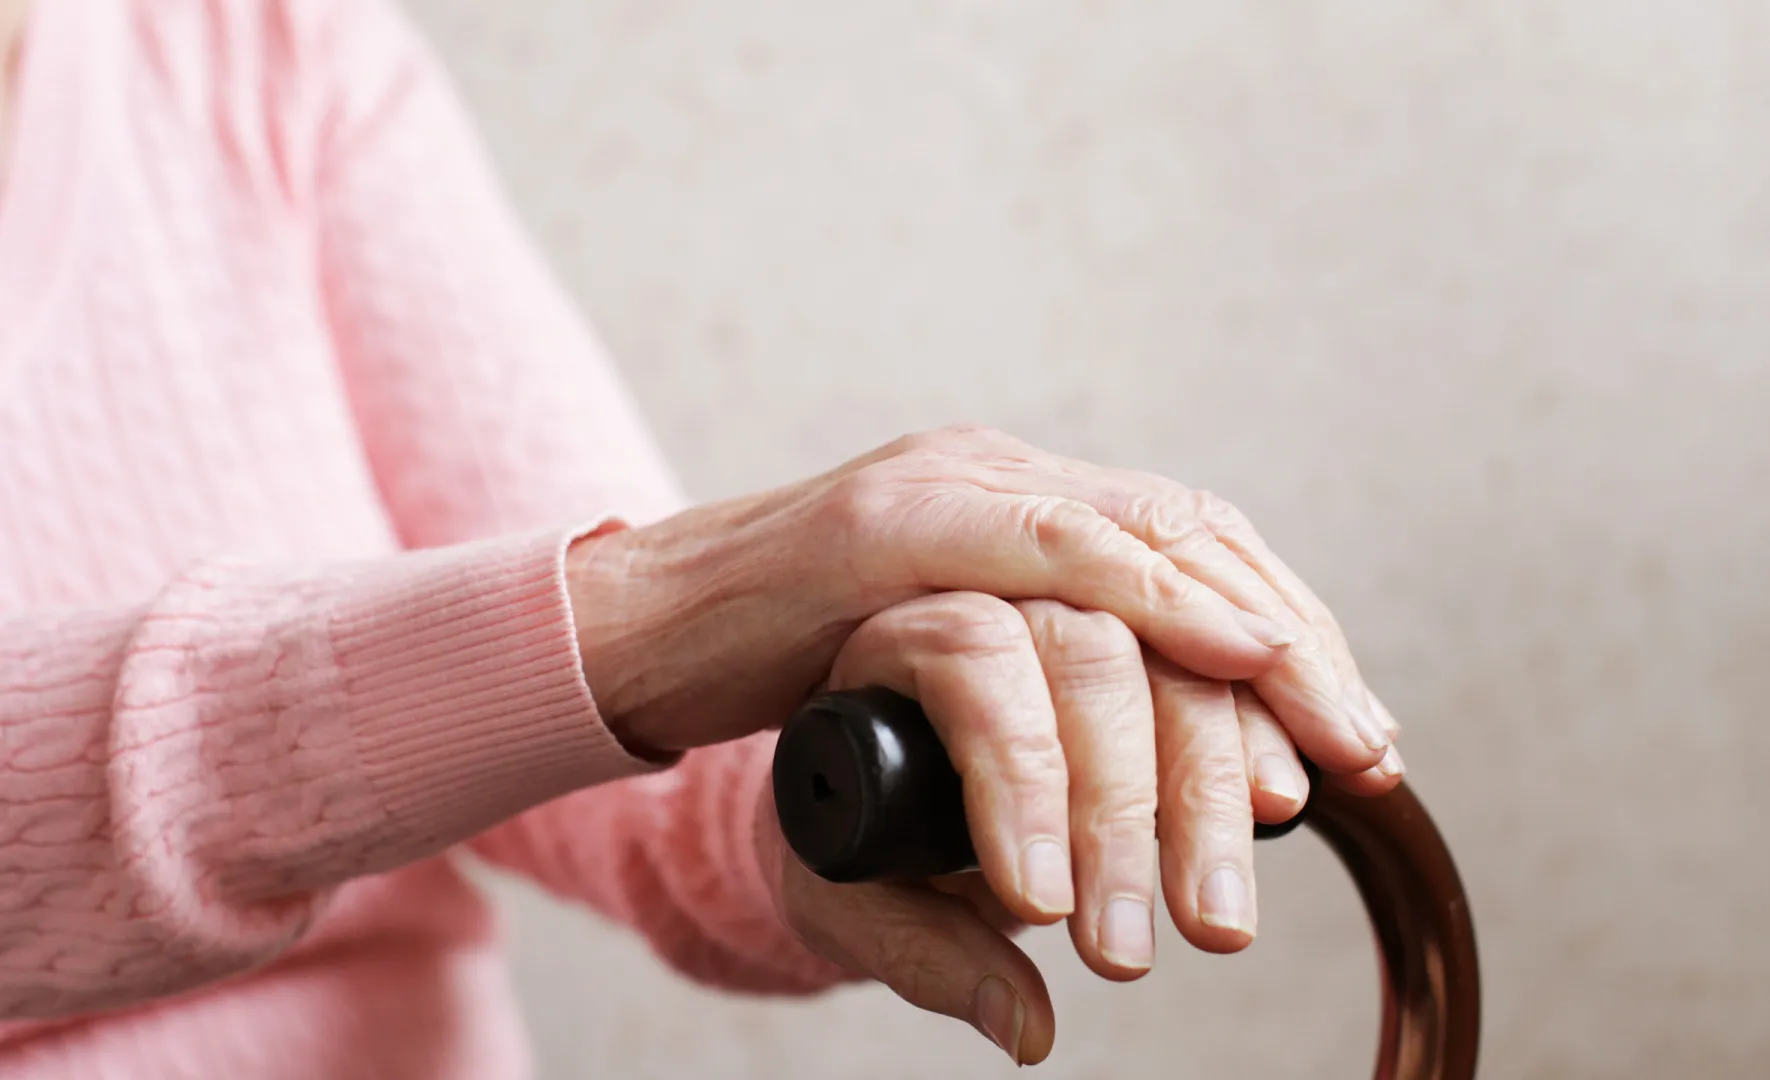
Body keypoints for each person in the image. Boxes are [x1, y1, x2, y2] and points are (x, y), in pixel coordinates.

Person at [0, 0, 1404, 1074]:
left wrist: (886, 745)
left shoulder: (261, 44)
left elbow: (627, 753)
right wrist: (648, 613)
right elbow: (622, 640)